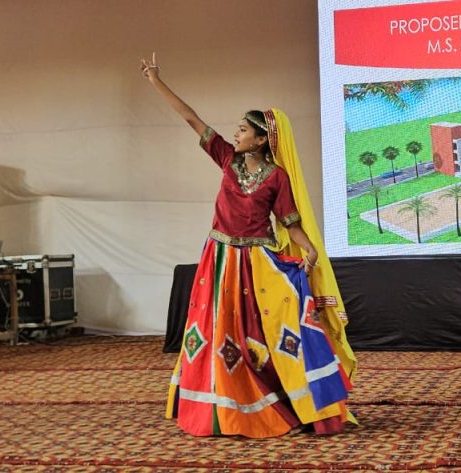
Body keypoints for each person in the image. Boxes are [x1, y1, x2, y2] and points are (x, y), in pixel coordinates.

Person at [141, 53, 357, 438]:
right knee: (217, 331)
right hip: (219, 260)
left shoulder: (277, 177)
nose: (236, 134)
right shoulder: (227, 159)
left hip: (257, 263)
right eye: (237, 130)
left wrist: (309, 250)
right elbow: (192, 119)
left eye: (243, 130)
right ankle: (222, 404)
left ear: (261, 140)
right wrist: (156, 81)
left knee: (264, 333)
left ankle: (285, 400)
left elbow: (290, 222)